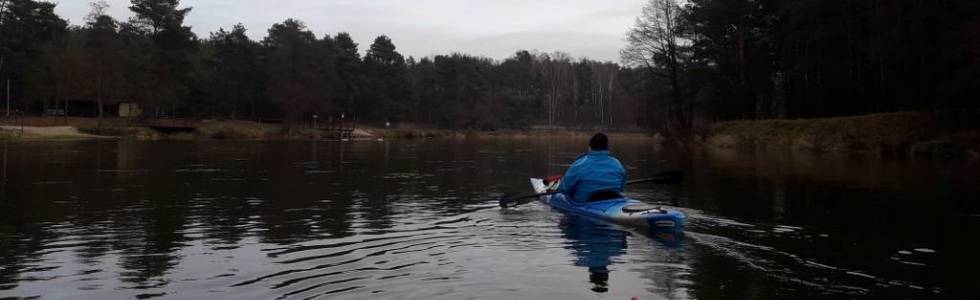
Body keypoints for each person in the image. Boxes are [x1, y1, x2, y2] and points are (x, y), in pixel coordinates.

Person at [557, 133, 627, 203]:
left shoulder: (579, 164)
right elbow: (621, 188)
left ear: (590, 147)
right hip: (613, 200)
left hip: (585, 203)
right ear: (606, 147)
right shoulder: (617, 164)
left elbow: (564, 189)